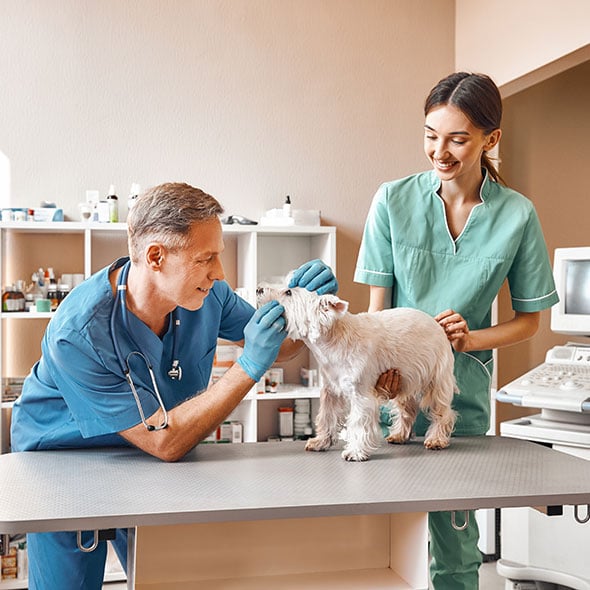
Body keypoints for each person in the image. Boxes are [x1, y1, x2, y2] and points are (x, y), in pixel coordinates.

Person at [10, 182, 338, 590]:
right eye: (207, 258)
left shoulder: (209, 296)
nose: (220, 272)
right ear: (155, 257)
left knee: (171, 576)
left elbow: (280, 346)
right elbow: (165, 441)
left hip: (149, 461)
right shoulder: (78, 332)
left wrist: (307, 311)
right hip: (63, 462)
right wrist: (249, 365)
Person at [354, 72, 559, 589]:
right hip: (393, 392)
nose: (438, 151)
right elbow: (375, 312)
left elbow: (530, 322)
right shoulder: (392, 201)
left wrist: (470, 339)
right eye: (430, 134)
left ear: (490, 139)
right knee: (379, 544)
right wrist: (381, 374)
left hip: (459, 402)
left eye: (457, 138)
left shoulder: (517, 215)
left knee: (454, 548)